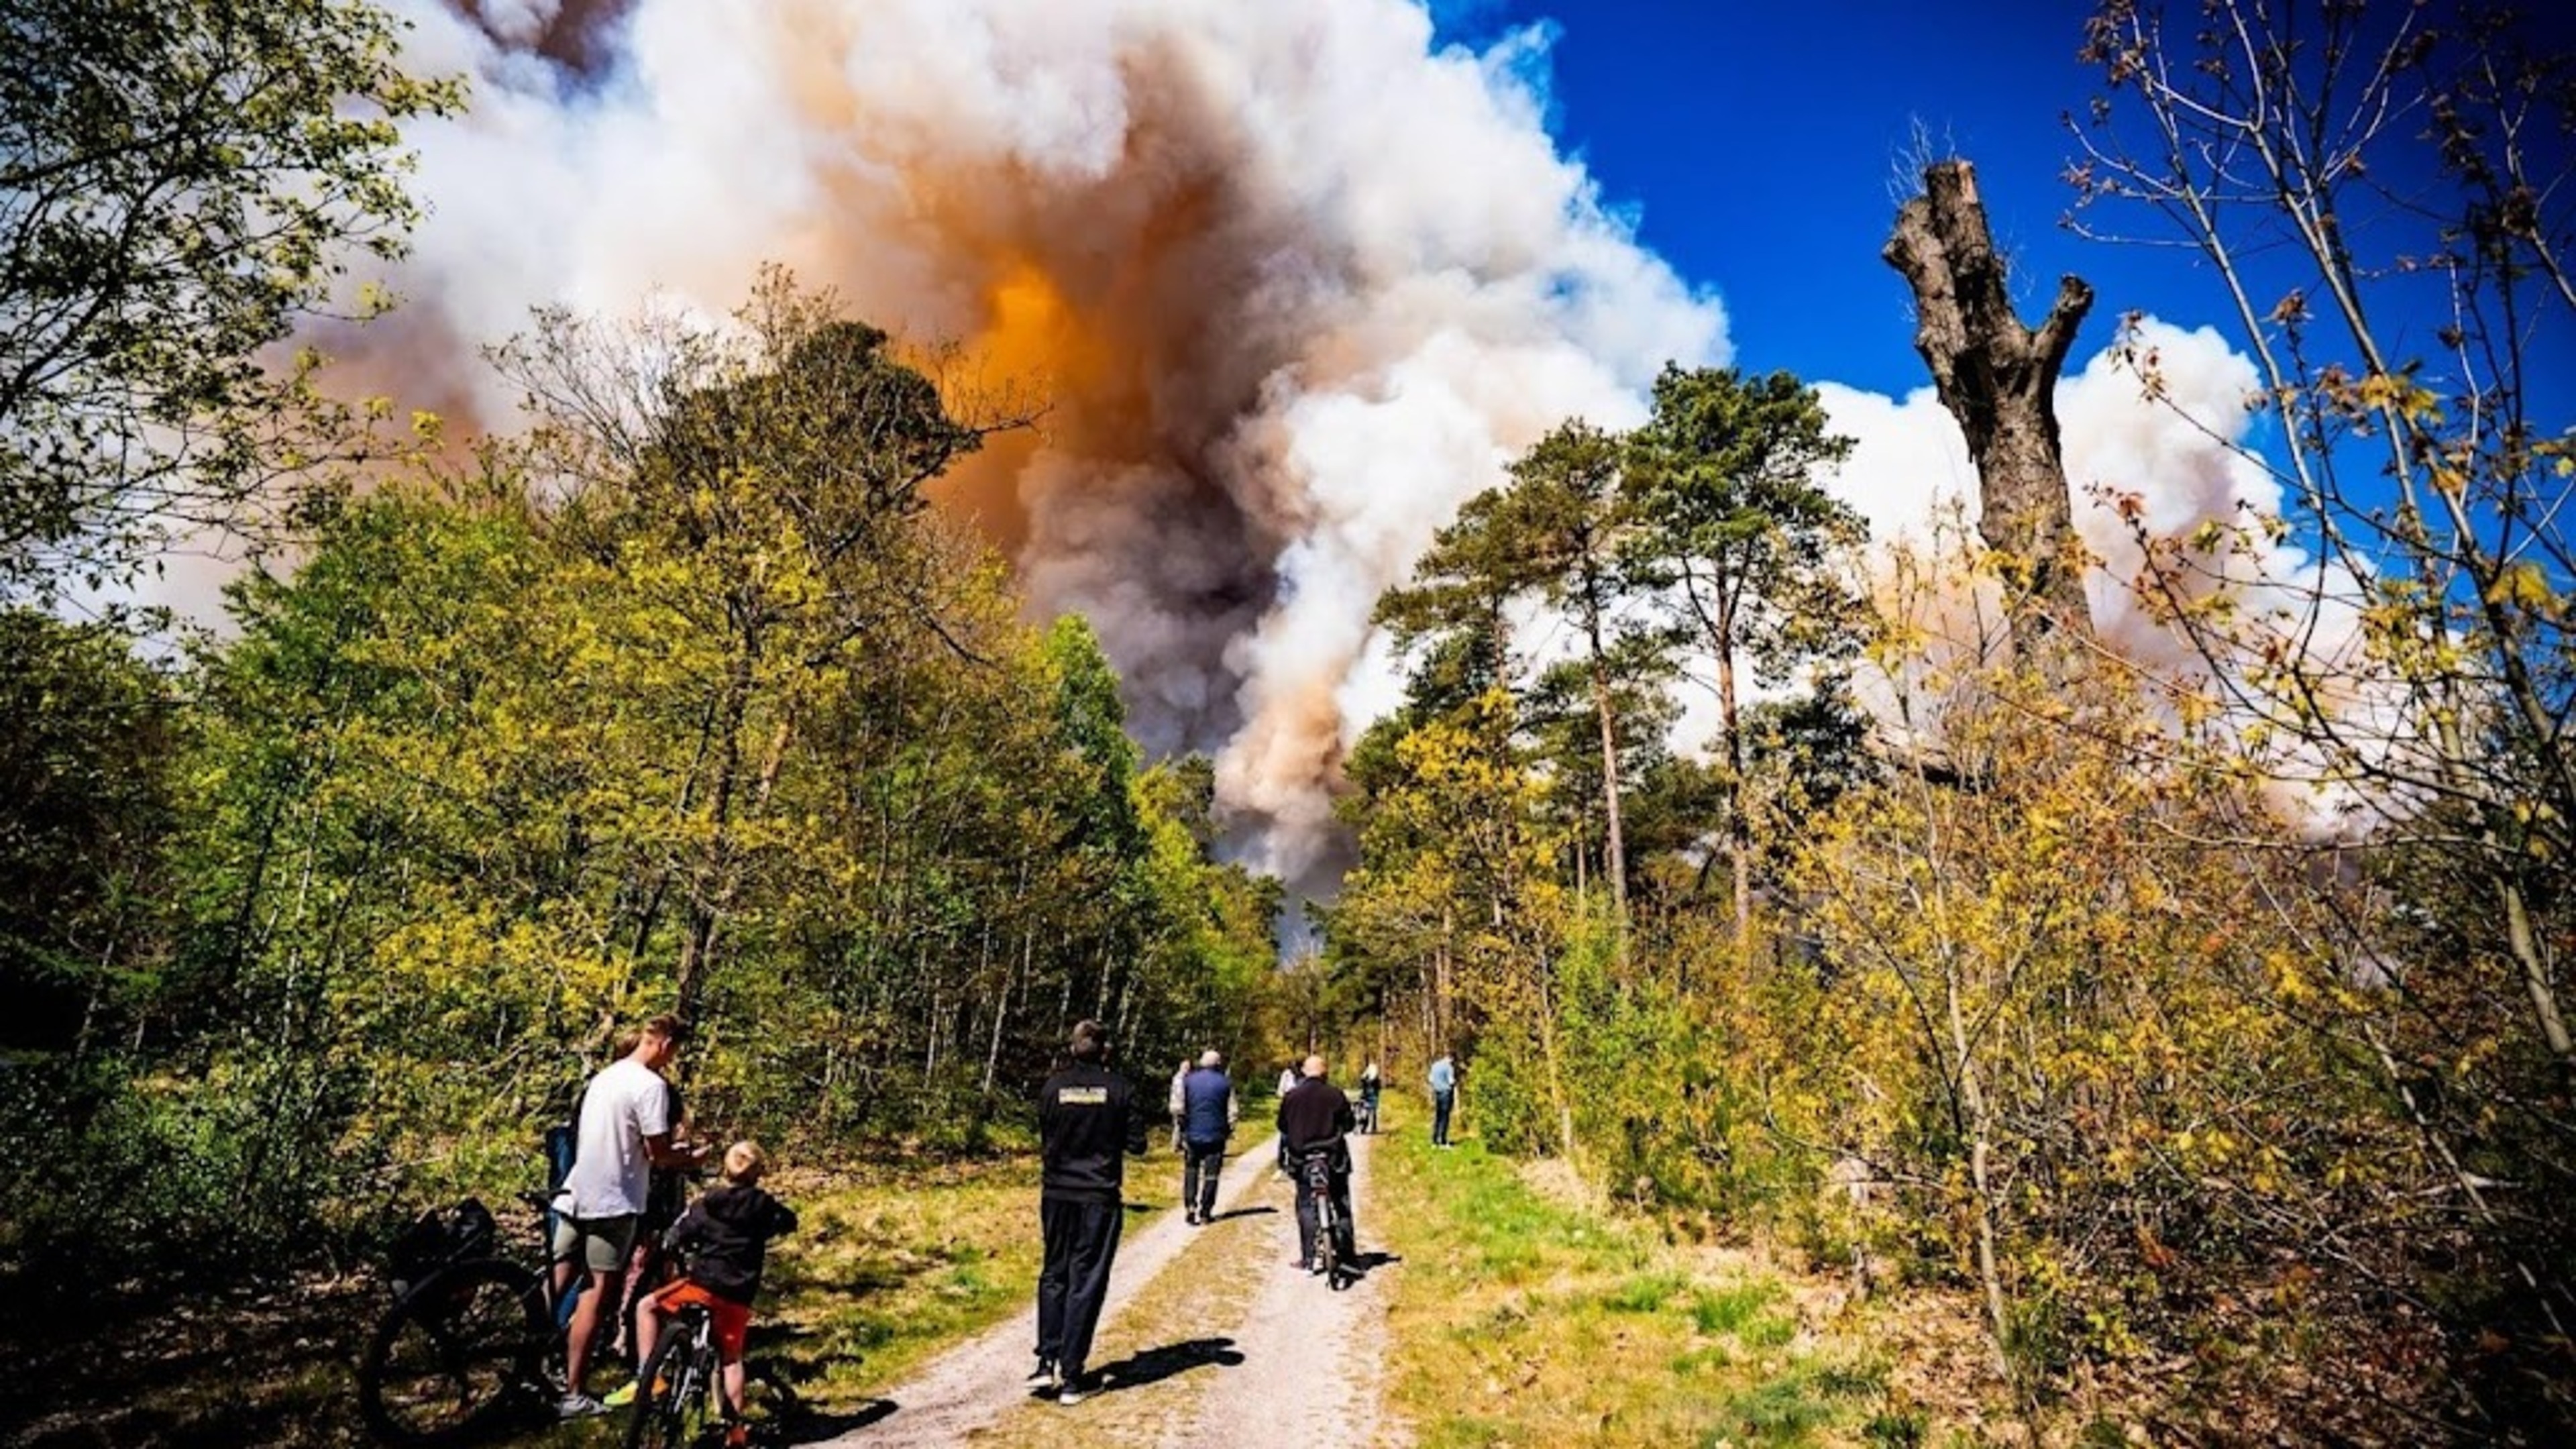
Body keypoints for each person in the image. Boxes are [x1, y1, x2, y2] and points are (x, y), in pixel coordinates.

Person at [551, 1016, 708, 1417]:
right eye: (674, 1051)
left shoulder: (605, 1077)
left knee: (557, 1280)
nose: (673, 1060)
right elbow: (659, 1155)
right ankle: (574, 1392)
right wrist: (691, 1158)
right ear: (665, 1043)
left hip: (573, 1192)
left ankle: (532, 1362)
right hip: (613, 1200)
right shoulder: (650, 1086)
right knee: (596, 1293)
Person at [612, 1141, 798, 1448]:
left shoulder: (706, 1204)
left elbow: (679, 1232)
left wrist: (673, 1242)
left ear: (725, 1170)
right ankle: (735, 1432)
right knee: (731, 1359)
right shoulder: (764, 1206)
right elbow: (788, 1220)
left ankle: (649, 1375)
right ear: (759, 1173)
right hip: (738, 1293)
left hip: (702, 1286)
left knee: (647, 1306)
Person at [1034, 1019, 1149, 1407]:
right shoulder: (1120, 1088)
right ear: (1105, 1050)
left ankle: (1046, 1360)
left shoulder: (1052, 1087)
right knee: (1086, 1281)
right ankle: (1072, 1376)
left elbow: (1045, 1134)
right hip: (1098, 1195)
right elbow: (1138, 1144)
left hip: (1056, 1193)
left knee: (1054, 1273)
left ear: (1071, 1048)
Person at [1275, 1054, 1356, 1273]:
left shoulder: (1291, 1097)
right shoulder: (1335, 1095)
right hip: (1333, 1158)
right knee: (1342, 1205)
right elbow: (1349, 1124)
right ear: (1325, 1072)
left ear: (1304, 1072)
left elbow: (1282, 1126)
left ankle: (1308, 1258)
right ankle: (1348, 1257)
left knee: (1305, 1206)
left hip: (1302, 1160)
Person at [1177, 1050, 1238, 1225]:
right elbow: (1233, 1111)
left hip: (1193, 1134)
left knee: (1191, 1170)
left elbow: (1178, 1107)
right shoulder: (1226, 1083)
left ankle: (1190, 1204)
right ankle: (1205, 1211)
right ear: (1218, 1064)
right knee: (1211, 1175)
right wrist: (1229, 1130)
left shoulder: (1188, 1080)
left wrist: (1183, 1128)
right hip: (1216, 1135)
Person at [1428, 1051, 1457, 1148]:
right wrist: (1455, 1082)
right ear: (1451, 1058)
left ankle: (1434, 1141)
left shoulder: (1435, 1065)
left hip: (1437, 1093)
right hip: (1446, 1093)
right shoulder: (1449, 1067)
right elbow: (1451, 1081)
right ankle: (1443, 1141)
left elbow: (1430, 1079)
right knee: (1445, 1117)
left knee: (1438, 1117)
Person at [1358, 1059, 1383, 1134]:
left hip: (1369, 1097)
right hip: (1370, 1097)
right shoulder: (1373, 1080)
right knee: (1370, 1113)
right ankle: (1370, 1128)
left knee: (1367, 1113)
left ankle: (1367, 1128)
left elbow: (1362, 1081)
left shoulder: (1368, 1079)